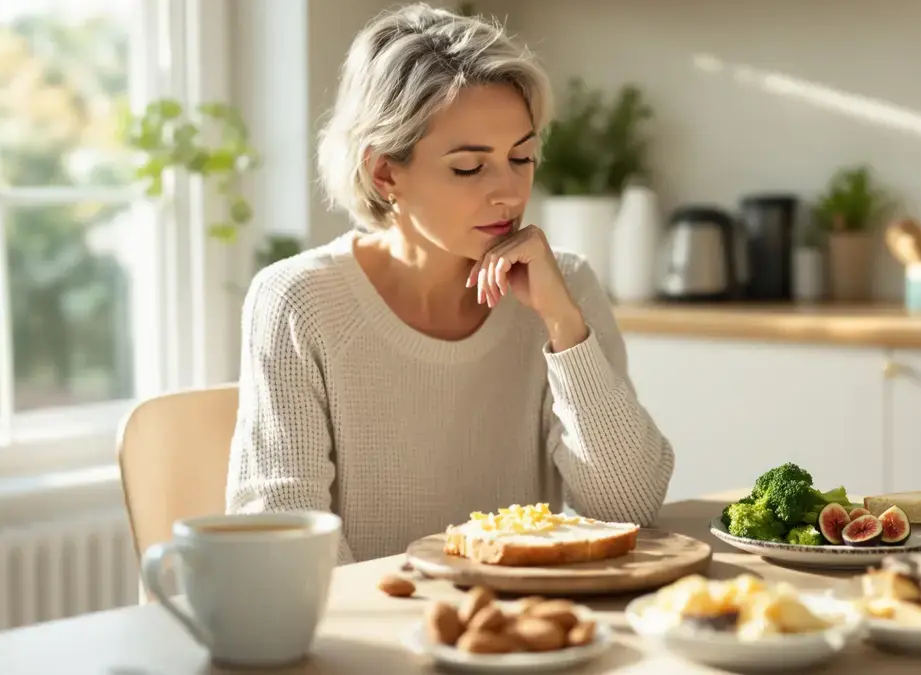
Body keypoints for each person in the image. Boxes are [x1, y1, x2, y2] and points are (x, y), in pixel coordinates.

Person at [224, 3, 675, 564]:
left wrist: (564, 327)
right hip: (374, 616)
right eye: (469, 167)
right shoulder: (298, 302)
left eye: (522, 157)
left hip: (525, 617)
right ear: (384, 171)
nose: (509, 192)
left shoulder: (564, 286)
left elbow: (631, 505)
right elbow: (284, 542)